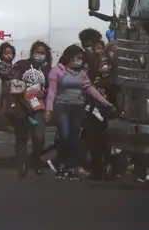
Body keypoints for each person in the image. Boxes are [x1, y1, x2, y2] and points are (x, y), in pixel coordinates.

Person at [46, 44, 114, 180]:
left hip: (77, 107)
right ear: (69, 58)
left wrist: (106, 103)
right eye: (77, 58)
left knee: (74, 138)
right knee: (65, 136)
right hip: (62, 106)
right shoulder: (57, 71)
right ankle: (58, 162)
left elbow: (91, 89)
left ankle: (67, 167)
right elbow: (52, 92)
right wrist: (49, 109)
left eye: (81, 58)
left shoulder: (82, 74)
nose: (80, 61)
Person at [10, 40, 51, 176]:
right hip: (22, 105)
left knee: (39, 137)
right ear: (32, 52)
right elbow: (13, 79)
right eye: (37, 52)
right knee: (22, 137)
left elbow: (52, 87)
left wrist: (44, 92)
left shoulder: (47, 69)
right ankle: (21, 164)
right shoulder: (23, 65)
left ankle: (36, 159)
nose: (39, 55)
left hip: (38, 106)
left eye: (42, 53)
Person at [84, 39, 116, 180]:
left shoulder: (114, 71)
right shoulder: (90, 70)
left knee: (106, 141)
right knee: (93, 140)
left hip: (109, 111)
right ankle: (97, 168)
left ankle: (109, 168)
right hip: (92, 110)